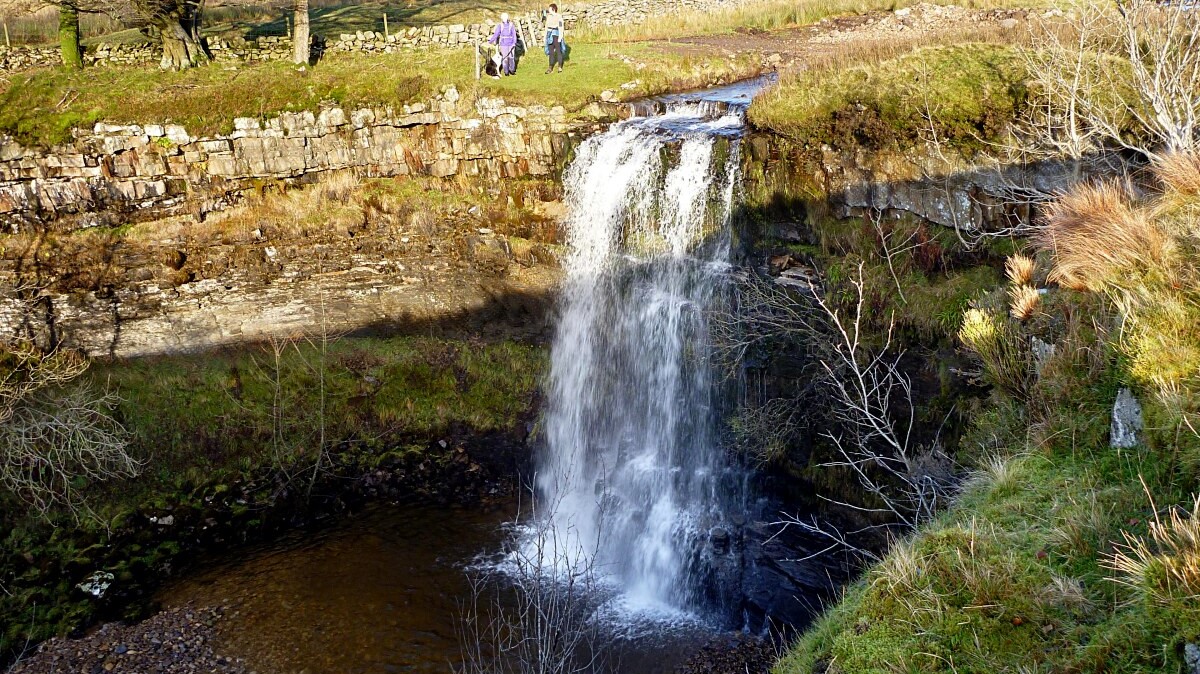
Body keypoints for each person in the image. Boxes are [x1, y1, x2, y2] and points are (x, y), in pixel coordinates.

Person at [543, 3, 565, 74]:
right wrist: (545, 36)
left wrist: (560, 37)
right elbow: (546, 27)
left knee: (558, 51)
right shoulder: (548, 17)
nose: (548, 10)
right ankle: (550, 68)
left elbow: (561, 26)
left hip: (556, 35)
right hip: (549, 36)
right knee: (551, 53)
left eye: (550, 9)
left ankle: (560, 67)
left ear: (553, 9)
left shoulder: (559, 16)